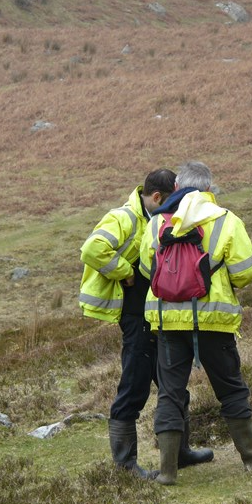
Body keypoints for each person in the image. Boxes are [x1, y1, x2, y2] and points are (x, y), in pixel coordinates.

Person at [139, 161, 252, 485]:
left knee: (169, 394)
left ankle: (166, 472)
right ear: (209, 187)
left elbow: (146, 269)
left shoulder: (157, 223)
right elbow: (247, 271)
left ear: (177, 186)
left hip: (166, 322)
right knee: (231, 388)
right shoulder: (227, 220)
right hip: (214, 320)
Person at [79, 169, 214, 479]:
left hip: (155, 315)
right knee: (134, 386)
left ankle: (179, 454)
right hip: (136, 317)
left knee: (173, 386)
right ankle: (126, 466)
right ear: (156, 197)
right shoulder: (124, 218)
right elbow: (92, 249)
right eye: (169, 201)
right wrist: (125, 271)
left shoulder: (152, 217)